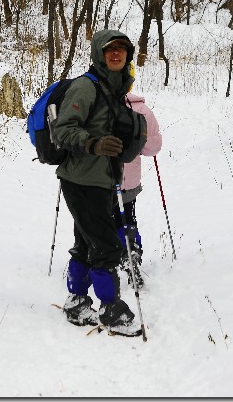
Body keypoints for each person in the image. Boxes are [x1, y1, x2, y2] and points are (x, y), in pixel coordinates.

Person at [53, 29, 141, 336]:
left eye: (121, 49)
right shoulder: (86, 87)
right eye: (109, 49)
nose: (116, 53)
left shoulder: (114, 89)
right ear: (98, 54)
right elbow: (62, 130)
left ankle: (77, 302)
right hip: (81, 179)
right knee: (105, 245)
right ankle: (111, 308)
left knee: (85, 242)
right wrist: (94, 144)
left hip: (100, 180)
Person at [115, 88, 162, 289]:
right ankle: (131, 251)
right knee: (128, 218)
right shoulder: (142, 110)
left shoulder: (99, 104)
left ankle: (108, 256)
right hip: (129, 180)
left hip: (103, 178)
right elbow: (153, 148)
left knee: (106, 217)